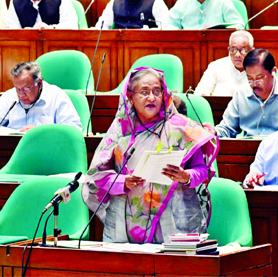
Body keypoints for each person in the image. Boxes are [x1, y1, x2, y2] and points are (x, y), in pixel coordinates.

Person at [81, 67, 218, 243]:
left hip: (174, 219)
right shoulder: (119, 132)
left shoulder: (181, 128)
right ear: (130, 96)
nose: (152, 98)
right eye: (144, 92)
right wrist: (123, 182)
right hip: (126, 223)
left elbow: (202, 169)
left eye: (157, 91)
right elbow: (96, 178)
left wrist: (186, 176)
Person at [215, 48, 278, 137]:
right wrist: (213, 132)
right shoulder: (241, 94)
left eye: (259, 78)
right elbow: (227, 129)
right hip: (248, 152)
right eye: (249, 78)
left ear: (273, 71)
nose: (254, 84)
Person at [0, 62, 82, 134]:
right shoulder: (10, 96)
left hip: (48, 151)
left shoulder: (56, 96)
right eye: (17, 89)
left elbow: (74, 128)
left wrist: (41, 131)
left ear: (39, 83)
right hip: (13, 152)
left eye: (26, 88)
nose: (21, 95)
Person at [195, 30, 253, 96]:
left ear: (251, 51)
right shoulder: (216, 66)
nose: (237, 55)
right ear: (228, 49)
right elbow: (199, 94)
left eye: (243, 50)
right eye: (233, 50)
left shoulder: (258, 69)